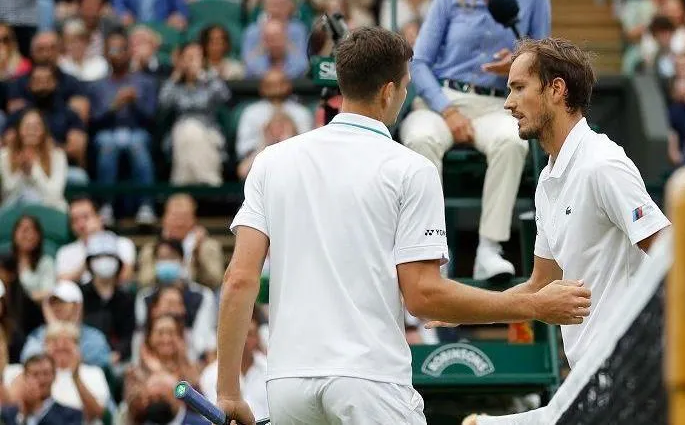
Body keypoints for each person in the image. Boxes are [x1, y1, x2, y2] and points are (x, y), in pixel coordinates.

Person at [215, 27, 591, 425]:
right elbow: (423, 295)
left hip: (288, 388)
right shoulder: (411, 169)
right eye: (407, 86)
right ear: (388, 91)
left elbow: (239, 280)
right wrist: (532, 304)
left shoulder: (271, 161)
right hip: (369, 385)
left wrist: (227, 392)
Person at [460, 37, 671, 425]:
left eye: (519, 88)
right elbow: (541, 285)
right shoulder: (546, 180)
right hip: (593, 383)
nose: (508, 103)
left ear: (556, 89)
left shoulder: (602, 165)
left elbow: (672, 258)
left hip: (627, 384)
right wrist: (462, 306)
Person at [400, 0, 552, 281]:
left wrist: (519, 63)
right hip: (441, 102)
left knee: (510, 141)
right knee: (419, 139)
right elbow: (419, 63)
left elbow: (543, 55)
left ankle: (489, 248)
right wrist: (447, 110)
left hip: (498, 104)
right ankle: (432, 254)